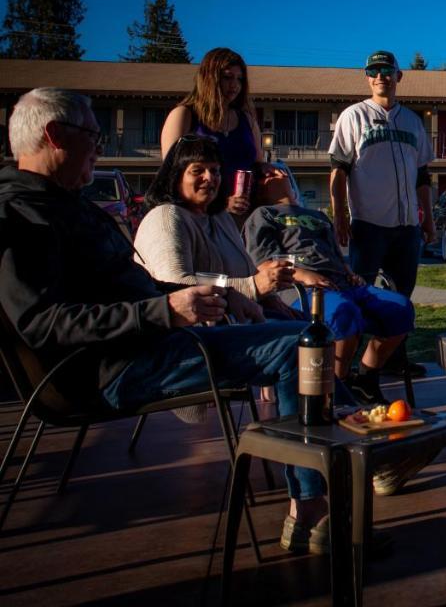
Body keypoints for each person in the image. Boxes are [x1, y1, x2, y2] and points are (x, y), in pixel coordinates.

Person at [0, 88, 329, 553]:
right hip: (110, 368)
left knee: (305, 335)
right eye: (92, 135)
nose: (98, 146)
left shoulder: (66, 204)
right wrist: (166, 310)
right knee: (300, 346)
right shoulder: (20, 216)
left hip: (146, 343)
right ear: (55, 136)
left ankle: (342, 455)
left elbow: (141, 287)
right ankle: (312, 510)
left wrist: (217, 297)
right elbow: (44, 323)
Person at [244, 163, 414, 407]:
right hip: (301, 290)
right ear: (258, 190)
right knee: (345, 314)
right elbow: (263, 263)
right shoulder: (263, 215)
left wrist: (349, 272)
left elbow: (334, 253)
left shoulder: (318, 216)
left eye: (279, 171)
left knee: (400, 308)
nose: (278, 174)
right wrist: (303, 275)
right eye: (268, 175)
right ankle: (336, 387)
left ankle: (365, 378)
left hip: (343, 283)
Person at [328, 50, 434, 379]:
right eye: (373, 71)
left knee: (400, 298)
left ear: (398, 76)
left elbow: (422, 176)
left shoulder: (413, 121)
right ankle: (343, 371)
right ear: (367, 77)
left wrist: (428, 218)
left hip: (406, 228)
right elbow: (338, 171)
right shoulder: (353, 116)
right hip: (368, 224)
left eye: (387, 70)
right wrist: (340, 216)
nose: (380, 76)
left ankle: (391, 361)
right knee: (356, 295)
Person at [132, 135, 295, 320]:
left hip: (238, 321)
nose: (209, 177)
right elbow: (175, 285)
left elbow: (249, 271)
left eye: (215, 171)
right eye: (197, 171)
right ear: (176, 177)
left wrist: (270, 297)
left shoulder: (220, 218)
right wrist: (253, 287)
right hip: (195, 336)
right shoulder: (166, 217)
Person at [160, 48, 264, 219]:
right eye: (227, 77)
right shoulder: (184, 115)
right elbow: (171, 174)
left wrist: (270, 169)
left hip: (247, 212)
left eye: (240, 79)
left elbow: (258, 163)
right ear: (210, 78)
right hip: (199, 216)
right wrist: (221, 203)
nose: (235, 85)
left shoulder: (247, 119)